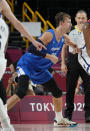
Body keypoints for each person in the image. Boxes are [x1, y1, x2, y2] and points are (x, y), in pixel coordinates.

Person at [6, 12, 77, 127]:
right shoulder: (49, 35)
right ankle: (1, 115)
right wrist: (49, 57)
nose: (70, 25)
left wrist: (78, 48)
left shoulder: (65, 38)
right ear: (62, 23)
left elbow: (75, 46)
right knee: (21, 92)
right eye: (69, 22)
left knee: (57, 92)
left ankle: (58, 120)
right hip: (27, 65)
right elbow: (31, 49)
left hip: (40, 70)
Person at [0, 0, 45, 130]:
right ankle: (7, 126)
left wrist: (32, 41)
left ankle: (7, 126)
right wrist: (33, 41)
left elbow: (17, 24)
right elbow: (17, 24)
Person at [61, 10, 90, 123]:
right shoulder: (71, 32)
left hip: (87, 60)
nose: (81, 20)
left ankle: (88, 115)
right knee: (70, 89)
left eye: (83, 18)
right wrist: (63, 63)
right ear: (75, 19)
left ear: (86, 19)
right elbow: (64, 48)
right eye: (79, 18)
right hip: (73, 61)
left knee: (88, 89)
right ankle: (68, 115)